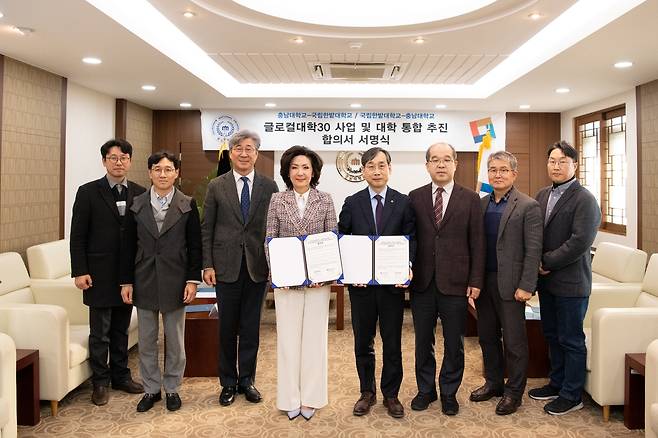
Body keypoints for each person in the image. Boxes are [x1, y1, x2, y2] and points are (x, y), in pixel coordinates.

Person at [120, 151, 202, 412]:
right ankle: (151, 388)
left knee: (175, 340)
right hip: (143, 276)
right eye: (158, 169)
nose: (163, 174)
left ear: (176, 173)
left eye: (168, 170)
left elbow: (195, 247)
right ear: (149, 173)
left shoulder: (187, 204)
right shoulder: (136, 204)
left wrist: (192, 280)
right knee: (146, 339)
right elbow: (127, 246)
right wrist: (126, 282)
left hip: (176, 278)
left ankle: (173, 388)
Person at [201, 129, 279, 406]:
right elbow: (207, 227)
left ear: (257, 154)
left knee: (250, 328)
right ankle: (227, 382)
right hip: (225, 267)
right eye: (239, 148)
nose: (244, 153)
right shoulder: (216, 186)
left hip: (257, 267)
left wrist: (275, 266)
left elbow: (274, 229)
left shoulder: (269, 187)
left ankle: (247, 380)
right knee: (227, 329)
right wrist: (207, 264)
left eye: (249, 149)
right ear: (231, 153)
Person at [337, 147, 416, 419]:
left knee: (392, 342)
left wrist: (408, 266)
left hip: (392, 288)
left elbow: (411, 238)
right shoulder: (352, 202)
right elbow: (342, 239)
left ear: (390, 169)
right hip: (361, 289)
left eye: (382, 165)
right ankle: (367, 392)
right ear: (364, 170)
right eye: (371, 166)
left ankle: (391, 394)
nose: (377, 171)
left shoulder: (403, 202)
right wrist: (349, 272)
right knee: (363, 342)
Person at [408, 142, 485, 416]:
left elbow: (478, 242)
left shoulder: (470, 199)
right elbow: (410, 239)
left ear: (455, 164)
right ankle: (426, 390)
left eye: (446, 159)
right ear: (427, 165)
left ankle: (449, 392)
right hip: (422, 283)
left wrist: (476, 280)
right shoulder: (414, 197)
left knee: (455, 342)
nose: (441, 165)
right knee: (423, 342)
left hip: (457, 283)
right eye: (435, 160)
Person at [70, 139, 145, 406]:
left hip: (128, 274)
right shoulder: (88, 192)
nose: (118, 162)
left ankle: (121, 377)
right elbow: (77, 235)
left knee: (120, 330)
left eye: (124, 158)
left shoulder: (139, 192)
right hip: (98, 274)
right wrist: (79, 271)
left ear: (130, 161)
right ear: (104, 161)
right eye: (113, 158)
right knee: (99, 332)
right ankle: (100, 382)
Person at [528, 141, 600, 415]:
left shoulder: (585, 200)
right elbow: (535, 233)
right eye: (552, 161)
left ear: (575, 165)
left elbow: (580, 242)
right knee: (552, 334)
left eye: (562, 161)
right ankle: (556, 383)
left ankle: (572, 394)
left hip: (571, 283)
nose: (556, 166)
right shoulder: (543, 194)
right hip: (546, 283)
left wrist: (546, 261)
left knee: (571, 338)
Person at [265, 145, 337, 421]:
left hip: (318, 284)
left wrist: (325, 274)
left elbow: (331, 237)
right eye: (294, 167)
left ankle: (312, 397)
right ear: (287, 172)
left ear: (314, 172)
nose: (300, 172)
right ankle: (290, 398)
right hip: (287, 283)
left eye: (305, 167)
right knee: (288, 340)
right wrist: (277, 276)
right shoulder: (277, 200)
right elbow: (270, 239)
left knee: (315, 340)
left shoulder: (326, 199)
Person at [469, 151, 542, 415]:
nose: (497, 175)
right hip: (484, 283)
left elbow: (533, 250)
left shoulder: (528, 206)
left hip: (512, 285)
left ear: (514, 173)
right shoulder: (481, 204)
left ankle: (514, 393)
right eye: (492, 170)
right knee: (487, 337)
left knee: (514, 342)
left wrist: (527, 285)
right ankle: (493, 383)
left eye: (503, 170)